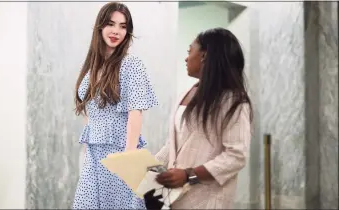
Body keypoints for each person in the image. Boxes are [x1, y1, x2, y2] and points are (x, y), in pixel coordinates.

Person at [155, 27, 253, 209]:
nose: (186, 58)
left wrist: (188, 175)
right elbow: (174, 144)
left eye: (189, 51)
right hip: (175, 199)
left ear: (204, 56)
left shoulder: (233, 101)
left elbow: (236, 156)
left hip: (208, 200)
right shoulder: (187, 92)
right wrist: (149, 169)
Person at [72, 2, 158, 209]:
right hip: (93, 154)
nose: (116, 31)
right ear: (100, 26)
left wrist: (127, 159)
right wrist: (87, 149)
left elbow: (135, 114)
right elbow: (89, 110)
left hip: (120, 153)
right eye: (111, 24)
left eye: (123, 26)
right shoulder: (92, 66)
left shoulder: (132, 65)